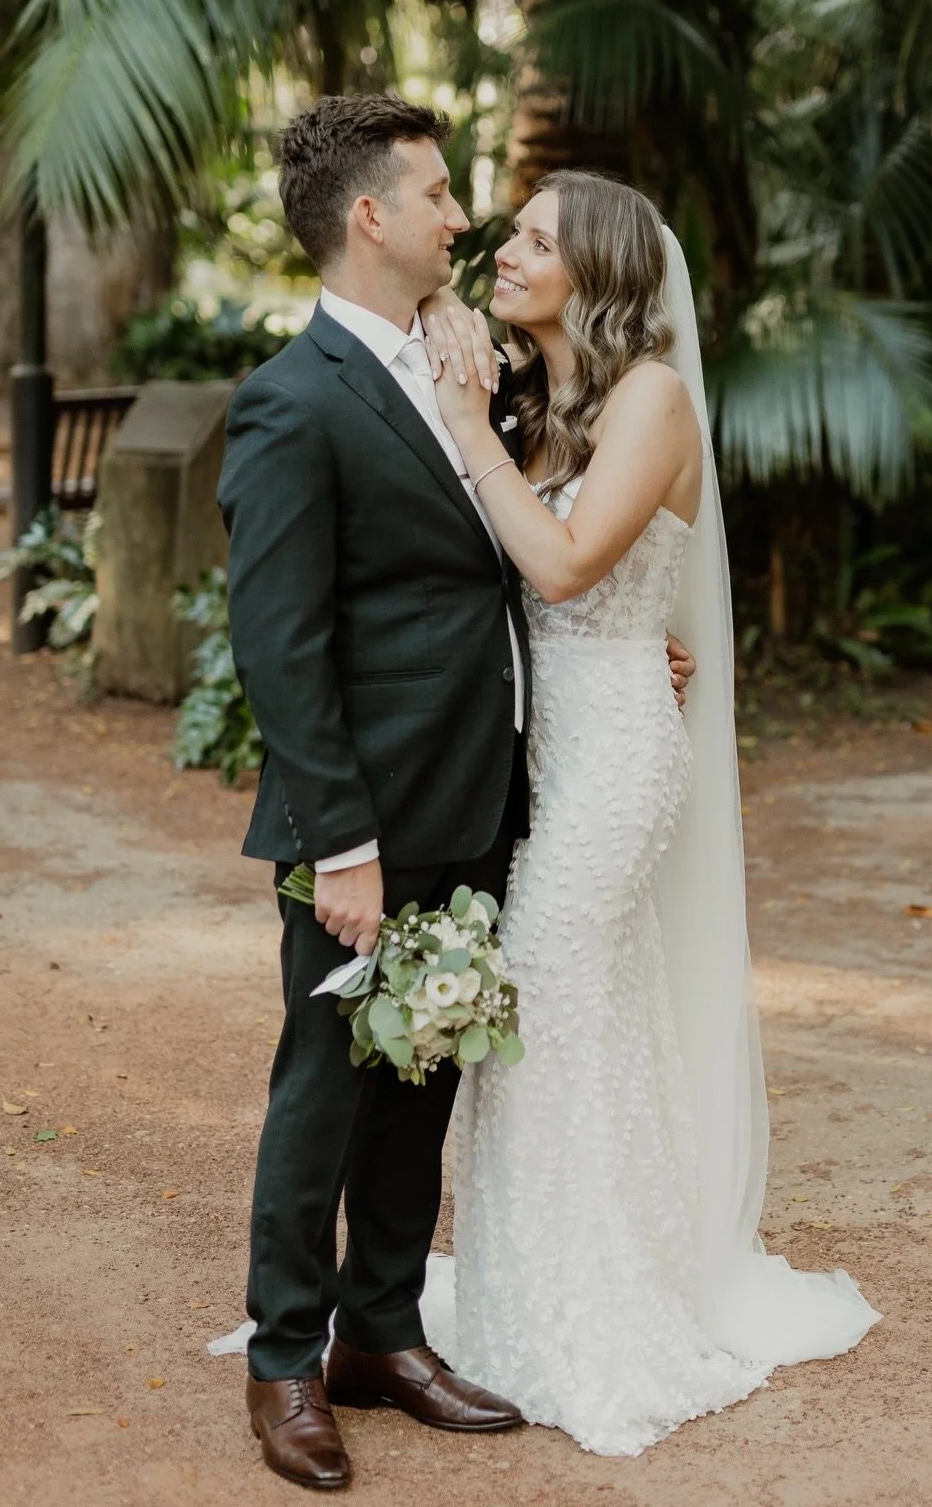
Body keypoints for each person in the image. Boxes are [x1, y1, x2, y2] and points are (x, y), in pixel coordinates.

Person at [215, 99, 694, 1488]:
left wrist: (620, 654)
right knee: (324, 1086)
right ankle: (285, 1362)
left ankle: (384, 1332)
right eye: (438, 194)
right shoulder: (292, 399)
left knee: (422, 1075)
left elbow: (518, 560)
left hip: (491, 795)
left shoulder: (469, 368)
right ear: (371, 215)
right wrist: (341, 841)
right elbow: (281, 648)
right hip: (365, 816)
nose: (462, 218)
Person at [419, 169, 880, 1457]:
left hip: (616, 757)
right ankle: (529, 1290)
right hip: (540, 748)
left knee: (536, 994)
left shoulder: (652, 399)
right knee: (576, 1017)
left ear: (602, 272)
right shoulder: (538, 405)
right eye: (512, 233)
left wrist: (463, 423)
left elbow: (568, 567)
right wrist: (474, 394)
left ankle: (589, 1314)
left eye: (535, 239)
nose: (506, 251)